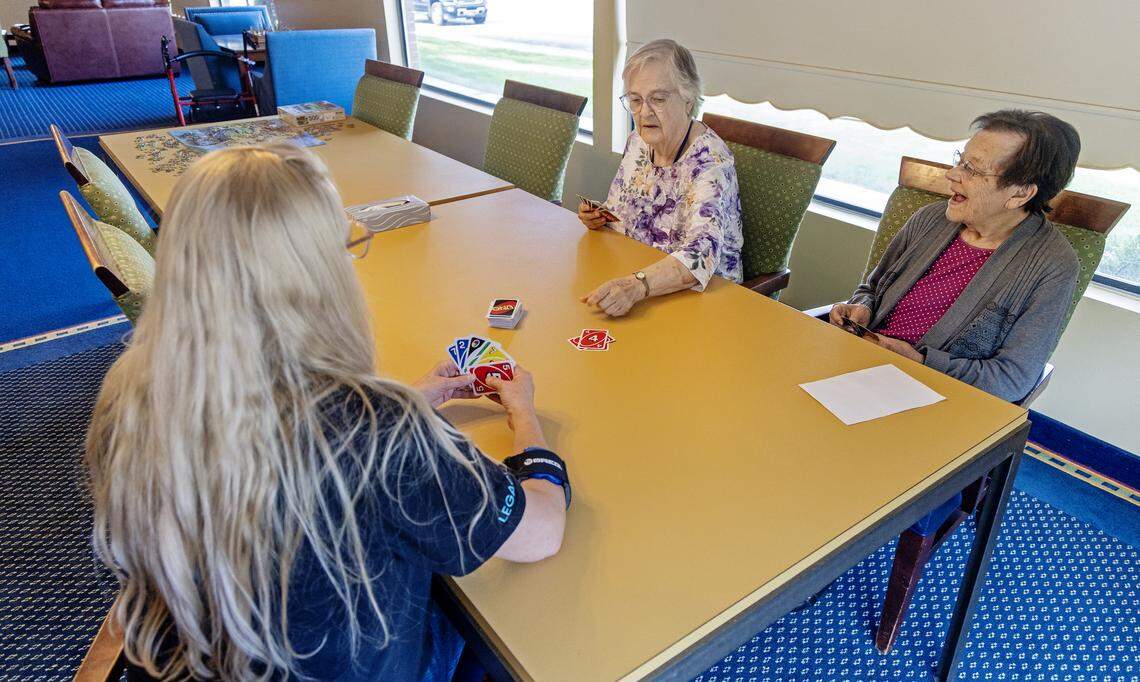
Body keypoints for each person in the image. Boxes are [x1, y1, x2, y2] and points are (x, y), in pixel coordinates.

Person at [84, 144, 570, 681]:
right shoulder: (379, 429)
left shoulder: (129, 397)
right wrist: (526, 418)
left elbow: (290, 431)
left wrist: (407, 399)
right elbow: (541, 531)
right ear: (317, 274)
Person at [830, 110, 1082, 403]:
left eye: (973, 170)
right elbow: (871, 289)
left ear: (1019, 194)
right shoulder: (930, 219)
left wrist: (919, 361)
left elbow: (1012, 379)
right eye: (960, 160)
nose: (952, 175)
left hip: (937, 398)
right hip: (858, 364)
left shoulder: (1052, 265)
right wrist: (861, 307)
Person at [578, 39, 743, 317]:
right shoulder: (639, 142)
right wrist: (600, 215)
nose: (643, 112)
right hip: (643, 282)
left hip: (704, 300)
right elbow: (622, 212)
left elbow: (699, 256)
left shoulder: (711, 162)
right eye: (635, 99)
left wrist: (636, 286)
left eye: (658, 99)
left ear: (688, 99)